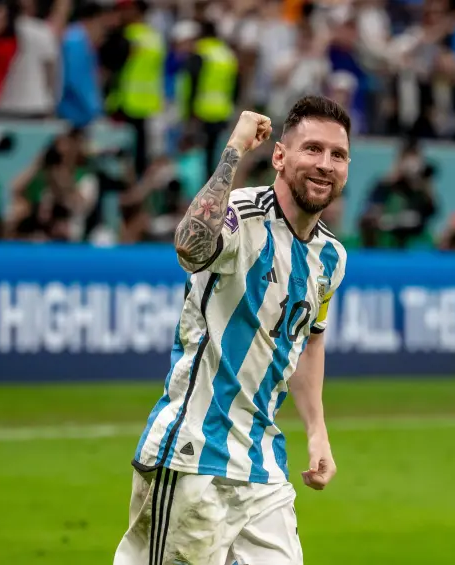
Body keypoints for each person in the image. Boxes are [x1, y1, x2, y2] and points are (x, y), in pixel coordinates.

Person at [113, 95, 350, 565]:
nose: (325, 165)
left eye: (338, 155)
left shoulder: (331, 258)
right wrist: (234, 150)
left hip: (263, 464)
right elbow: (188, 247)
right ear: (279, 156)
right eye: (312, 149)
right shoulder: (242, 214)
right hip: (193, 455)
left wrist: (317, 430)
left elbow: (309, 338)